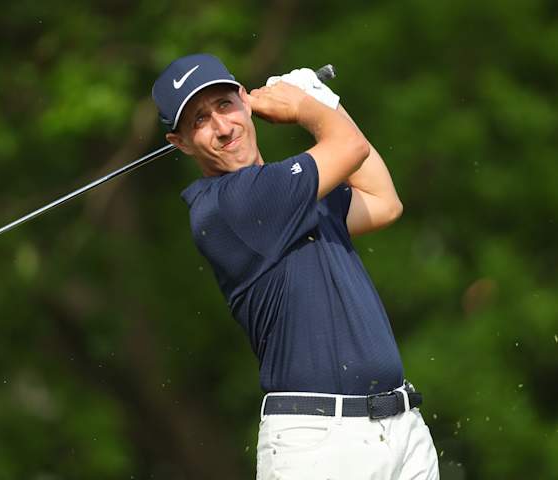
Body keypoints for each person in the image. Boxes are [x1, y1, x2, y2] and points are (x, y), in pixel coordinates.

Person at [152, 53, 439, 479]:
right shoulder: (230, 205)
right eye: (199, 120)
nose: (223, 127)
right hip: (320, 444)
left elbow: (383, 201)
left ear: (245, 101)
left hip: (400, 430)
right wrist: (307, 106)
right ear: (180, 142)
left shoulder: (294, 194)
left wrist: (324, 101)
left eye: (225, 105)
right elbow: (350, 147)